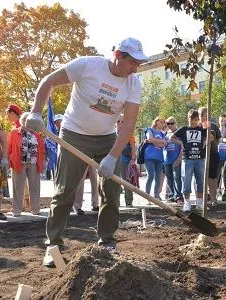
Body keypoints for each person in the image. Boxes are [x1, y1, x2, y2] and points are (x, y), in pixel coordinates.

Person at [23, 36, 147, 267]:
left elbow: (129, 124)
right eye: (133, 62)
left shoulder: (133, 83)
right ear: (118, 55)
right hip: (74, 134)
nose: (135, 68)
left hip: (108, 137)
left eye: (138, 64)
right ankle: (54, 246)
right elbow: (48, 81)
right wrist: (36, 112)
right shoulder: (87, 65)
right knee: (65, 191)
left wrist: (112, 156)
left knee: (111, 190)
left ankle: (107, 241)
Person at [170, 109, 209, 212]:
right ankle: (187, 202)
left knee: (200, 181)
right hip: (187, 159)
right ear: (188, 118)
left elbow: (211, 136)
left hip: (200, 158)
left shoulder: (202, 129)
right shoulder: (183, 129)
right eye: (192, 119)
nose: (194, 122)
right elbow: (171, 138)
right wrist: (181, 143)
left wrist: (205, 140)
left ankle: (199, 202)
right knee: (186, 181)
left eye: (196, 119)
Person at [8, 111, 44, 216]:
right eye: (24, 120)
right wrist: (9, 160)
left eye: (28, 120)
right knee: (17, 187)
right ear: (21, 121)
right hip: (18, 163)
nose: (26, 122)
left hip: (34, 163)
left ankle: (35, 209)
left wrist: (43, 161)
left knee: (35, 187)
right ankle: (16, 210)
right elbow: (9, 148)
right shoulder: (14, 132)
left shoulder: (37, 134)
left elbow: (41, 149)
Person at [199, 107, 221, 205]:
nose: (203, 117)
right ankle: (202, 199)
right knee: (201, 177)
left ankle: (213, 198)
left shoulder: (213, 126)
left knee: (212, 177)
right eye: (201, 115)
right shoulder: (196, 127)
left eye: (205, 115)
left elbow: (215, 138)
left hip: (213, 154)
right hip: (200, 155)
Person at [144, 117, 167, 200]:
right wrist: (156, 141)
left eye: (163, 122)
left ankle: (156, 196)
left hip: (159, 158)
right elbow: (149, 138)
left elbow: (164, 144)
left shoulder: (163, 134)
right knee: (150, 176)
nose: (162, 124)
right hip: (149, 157)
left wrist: (154, 142)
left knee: (158, 177)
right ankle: (147, 196)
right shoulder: (149, 130)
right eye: (161, 122)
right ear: (156, 122)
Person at [118, 116, 137, 207]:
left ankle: (129, 201)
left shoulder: (129, 133)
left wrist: (133, 159)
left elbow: (133, 146)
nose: (120, 124)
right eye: (118, 121)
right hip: (114, 160)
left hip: (126, 160)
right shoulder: (111, 133)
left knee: (127, 181)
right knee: (113, 181)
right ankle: (115, 202)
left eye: (122, 121)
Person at [163, 117, 183, 203]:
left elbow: (183, 146)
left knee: (177, 178)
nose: (170, 125)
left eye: (172, 123)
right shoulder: (165, 134)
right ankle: (171, 195)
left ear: (176, 123)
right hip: (167, 159)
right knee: (169, 178)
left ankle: (178, 196)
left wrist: (179, 158)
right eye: (168, 123)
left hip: (176, 159)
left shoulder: (180, 133)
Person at [217, 114, 226, 201]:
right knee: (217, 175)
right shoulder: (216, 130)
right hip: (217, 155)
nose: (223, 123)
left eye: (224, 121)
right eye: (221, 121)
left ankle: (225, 192)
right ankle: (218, 191)